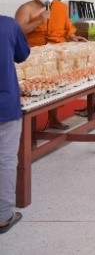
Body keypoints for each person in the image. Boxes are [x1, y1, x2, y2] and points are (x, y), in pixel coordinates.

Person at [15, 0, 88, 130]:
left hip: (55, 53)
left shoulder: (60, 7)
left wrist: (73, 37)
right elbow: (18, 31)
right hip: (33, 54)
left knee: (54, 86)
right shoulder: (26, 8)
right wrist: (40, 20)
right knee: (33, 87)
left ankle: (54, 118)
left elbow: (67, 27)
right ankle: (29, 124)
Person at [0, 15, 30, 235]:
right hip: (4, 103)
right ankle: (3, 216)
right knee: (5, 160)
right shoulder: (8, 24)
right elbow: (23, 54)